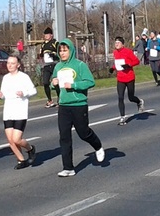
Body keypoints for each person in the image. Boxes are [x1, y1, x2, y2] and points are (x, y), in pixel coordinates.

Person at [52, 38, 106, 177]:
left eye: (65, 50)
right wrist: (54, 83)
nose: (62, 53)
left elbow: (90, 82)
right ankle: (68, 168)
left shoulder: (80, 65)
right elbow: (54, 84)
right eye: (60, 51)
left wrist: (74, 85)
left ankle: (98, 146)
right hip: (63, 105)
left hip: (79, 104)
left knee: (83, 133)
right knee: (64, 137)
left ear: (71, 51)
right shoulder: (58, 67)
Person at [0, 54, 38, 169]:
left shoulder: (23, 77)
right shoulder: (5, 78)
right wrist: (1, 95)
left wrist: (23, 93)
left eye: (12, 63)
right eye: (8, 63)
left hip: (20, 111)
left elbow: (33, 91)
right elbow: (4, 94)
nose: (9, 65)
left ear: (18, 65)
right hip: (8, 112)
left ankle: (30, 149)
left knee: (17, 139)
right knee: (11, 140)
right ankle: (21, 160)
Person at [110, 36, 145, 125]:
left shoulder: (128, 52)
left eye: (118, 43)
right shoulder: (115, 52)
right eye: (115, 43)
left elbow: (136, 61)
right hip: (120, 78)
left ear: (122, 44)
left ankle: (139, 101)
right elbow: (117, 63)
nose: (116, 44)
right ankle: (122, 118)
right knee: (120, 97)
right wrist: (112, 68)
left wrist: (129, 65)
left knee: (131, 97)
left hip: (129, 78)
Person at [38, 27, 61, 107]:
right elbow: (41, 55)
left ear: (51, 35)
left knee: (56, 83)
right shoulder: (43, 44)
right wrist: (40, 55)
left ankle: (59, 98)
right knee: (45, 82)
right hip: (46, 66)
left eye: (47, 34)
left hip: (54, 65)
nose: (46, 36)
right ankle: (49, 100)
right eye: (45, 34)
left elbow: (59, 53)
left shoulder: (55, 42)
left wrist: (54, 54)